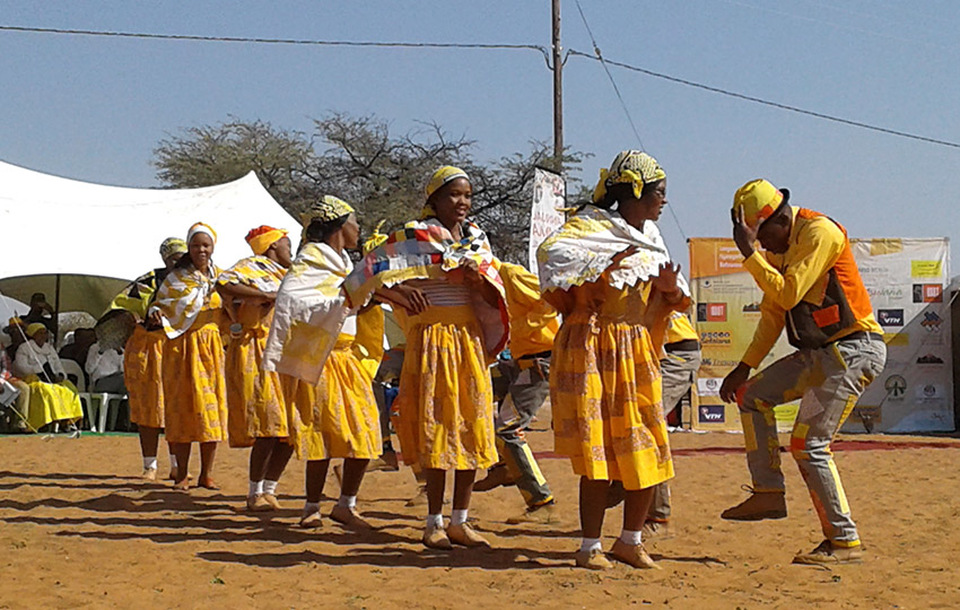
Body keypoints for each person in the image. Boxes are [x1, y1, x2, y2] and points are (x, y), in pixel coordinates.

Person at [718, 179, 886, 565]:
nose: (762, 247)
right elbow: (775, 312)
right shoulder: (781, 248)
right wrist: (744, 368)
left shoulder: (819, 232)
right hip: (820, 355)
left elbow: (789, 293)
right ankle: (768, 493)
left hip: (853, 351)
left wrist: (748, 256)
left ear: (778, 220)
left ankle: (843, 541)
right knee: (752, 396)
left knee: (808, 444)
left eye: (761, 238)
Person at [345, 166, 509, 550]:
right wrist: (398, 294)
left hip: (468, 342)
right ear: (433, 199)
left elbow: (492, 297)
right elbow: (360, 280)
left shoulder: (478, 241)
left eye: (468, 195)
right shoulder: (411, 238)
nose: (463, 203)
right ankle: (433, 521)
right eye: (454, 195)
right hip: (431, 341)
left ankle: (460, 521)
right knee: (437, 429)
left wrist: (477, 280)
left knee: (470, 427)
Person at [537, 150, 687, 570]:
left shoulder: (652, 237)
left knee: (647, 445)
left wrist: (670, 289)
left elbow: (673, 301)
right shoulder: (589, 229)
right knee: (598, 451)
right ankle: (589, 546)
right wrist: (603, 263)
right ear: (634, 191)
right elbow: (551, 256)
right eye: (659, 192)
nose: (664, 201)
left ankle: (630, 540)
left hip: (636, 351)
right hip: (594, 348)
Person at [264, 196, 382, 530]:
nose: (358, 228)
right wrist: (344, 299)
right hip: (320, 357)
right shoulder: (311, 261)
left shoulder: (345, 263)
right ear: (340, 224)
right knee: (321, 433)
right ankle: (311, 506)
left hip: (348, 359)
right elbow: (294, 301)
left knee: (365, 431)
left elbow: (355, 302)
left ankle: (346, 504)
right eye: (355, 221)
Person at [472, 261, 559, 524]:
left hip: (539, 361)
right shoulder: (483, 282)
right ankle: (503, 466)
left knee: (508, 428)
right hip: (517, 360)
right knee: (474, 397)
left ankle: (541, 500)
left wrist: (516, 327)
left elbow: (549, 303)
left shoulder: (510, 274)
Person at [217, 225, 295, 512]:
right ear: (272, 246)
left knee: (290, 427)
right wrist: (267, 297)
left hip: (286, 352)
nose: (291, 250)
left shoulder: (290, 275)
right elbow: (223, 284)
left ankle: (271, 488)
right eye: (287, 244)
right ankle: (254, 491)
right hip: (256, 350)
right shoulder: (251, 267)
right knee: (268, 423)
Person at [150, 223, 227, 490]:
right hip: (181, 348)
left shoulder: (222, 278)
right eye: (196, 245)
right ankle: (181, 474)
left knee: (210, 411)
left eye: (205, 245)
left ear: (213, 246)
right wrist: (155, 313)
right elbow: (160, 305)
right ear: (189, 248)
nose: (201, 250)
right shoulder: (176, 278)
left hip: (210, 348)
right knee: (181, 409)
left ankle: (207, 473)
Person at [124, 237, 188, 481]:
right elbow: (124, 308)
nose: (179, 262)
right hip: (149, 349)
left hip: (180, 349)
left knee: (177, 409)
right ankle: (149, 465)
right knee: (148, 410)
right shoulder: (149, 280)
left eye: (183, 257)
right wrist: (139, 318)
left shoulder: (195, 282)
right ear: (164, 258)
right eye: (174, 257)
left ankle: (176, 465)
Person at [644, 310, 701, 538]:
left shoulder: (647, 275)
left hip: (674, 353)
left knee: (648, 423)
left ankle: (658, 515)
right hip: (655, 351)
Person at [13, 323, 84, 431]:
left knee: (69, 389)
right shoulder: (24, 348)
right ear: (33, 335)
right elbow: (21, 366)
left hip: (52, 378)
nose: (43, 336)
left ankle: (66, 421)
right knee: (47, 391)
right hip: (33, 379)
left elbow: (58, 364)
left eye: (45, 333)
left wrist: (60, 374)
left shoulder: (49, 348)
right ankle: (46, 422)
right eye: (40, 333)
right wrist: (39, 370)